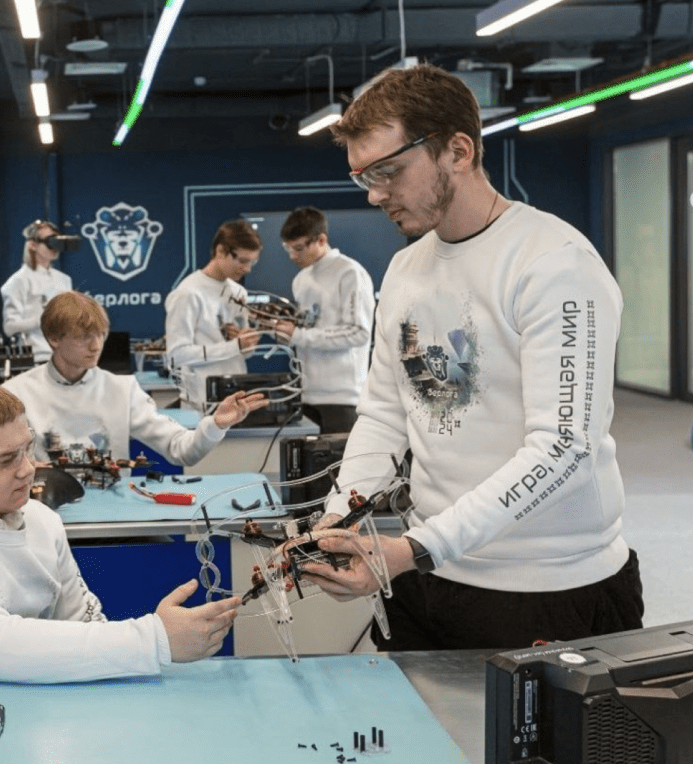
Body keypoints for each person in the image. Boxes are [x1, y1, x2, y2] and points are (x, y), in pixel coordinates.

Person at [301, 63, 643, 651]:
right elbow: (384, 414)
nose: (376, 194)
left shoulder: (554, 263)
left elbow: (563, 448)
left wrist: (418, 547)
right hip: (425, 574)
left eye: (388, 171)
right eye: (363, 177)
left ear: (457, 151)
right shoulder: (405, 269)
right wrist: (338, 517)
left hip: (548, 587)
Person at [0, 373, 240, 682]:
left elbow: (82, 623)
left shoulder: (41, 520)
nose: (27, 469)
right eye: (6, 459)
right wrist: (154, 640)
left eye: (27, 448)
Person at [3, 291, 269, 465]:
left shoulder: (122, 389)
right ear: (54, 339)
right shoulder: (15, 395)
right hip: (43, 517)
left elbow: (180, 450)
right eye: (84, 337)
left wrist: (215, 425)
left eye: (101, 335)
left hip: (112, 517)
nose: (96, 346)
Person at [271, 207, 375, 434]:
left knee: (339, 459)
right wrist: (283, 332)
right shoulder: (301, 279)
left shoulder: (350, 273)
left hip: (342, 398)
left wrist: (299, 335)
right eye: (288, 248)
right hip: (305, 395)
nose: (293, 256)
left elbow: (359, 332)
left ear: (321, 239)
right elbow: (307, 329)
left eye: (299, 248)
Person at [164, 219, 263, 411]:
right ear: (220, 251)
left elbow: (242, 353)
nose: (247, 269)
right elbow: (176, 356)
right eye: (242, 261)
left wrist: (247, 344)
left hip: (237, 399)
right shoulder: (188, 293)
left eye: (252, 262)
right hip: (200, 405)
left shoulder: (239, 292)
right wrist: (233, 346)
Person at [0, 220, 73, 363]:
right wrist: (43, 319)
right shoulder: (19, 280)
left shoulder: (64, 280)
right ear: (33, 245)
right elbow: (9, 327)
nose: (54, 246)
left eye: (56, 240)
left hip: (63, 356)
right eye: (49, 241)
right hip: (36, 358)